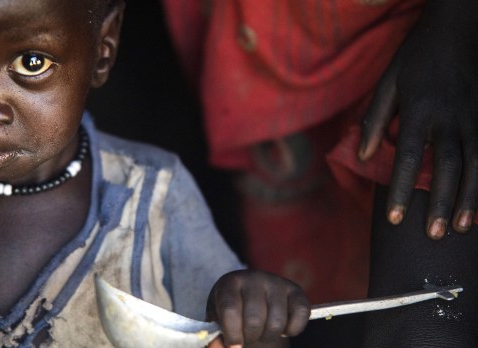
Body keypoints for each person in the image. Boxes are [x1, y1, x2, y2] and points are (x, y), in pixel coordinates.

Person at [0, 0, 312, 347]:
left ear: (102, 51)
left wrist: (250, 312)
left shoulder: (153, 195)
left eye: (31, 63)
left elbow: (227, 329)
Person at [162, 0, 478, 346]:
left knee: (428, 321)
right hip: (276, 37)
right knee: (308, 292)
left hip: (433, 43)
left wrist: (453, 30)